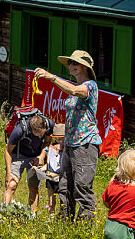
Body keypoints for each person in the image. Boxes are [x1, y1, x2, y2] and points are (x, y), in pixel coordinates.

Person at [35, 50, 100, 221]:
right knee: (64, 184)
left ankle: (85, 226)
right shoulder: (74, 85)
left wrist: (51, 77)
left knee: (82, 186)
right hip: (70, 143)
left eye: (75, 63)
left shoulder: (90, 86)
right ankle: (65, 221)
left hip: (85, 144)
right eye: (70, 63)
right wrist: (63, 141)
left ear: (85, 67)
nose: (71, 65)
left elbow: (75, 91)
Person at [4, 113, 54, 213]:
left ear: (44, 125)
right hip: (18, 156)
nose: (39, 136)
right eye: (36, 134)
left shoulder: (50, 125)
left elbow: (47, 142)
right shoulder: (19, 130)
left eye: (40, 134)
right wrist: (8, 173)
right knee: (11, 185)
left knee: (33, 187)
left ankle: (32, 216)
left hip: (35, 156)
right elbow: (8, 151)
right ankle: (4, 214)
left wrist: (41, 156)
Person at [38, 124, 65, 214]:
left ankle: (63, 215)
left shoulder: (67, 149)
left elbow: (66, 167)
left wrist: (57, 174)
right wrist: (42, 169)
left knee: (63, 199)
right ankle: (51, 215)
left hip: (61, 178)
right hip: (50, 177)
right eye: (57, 139)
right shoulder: (51, 147)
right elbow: (50, 162)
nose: (59, 141)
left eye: (61, 139)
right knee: (51, 199)